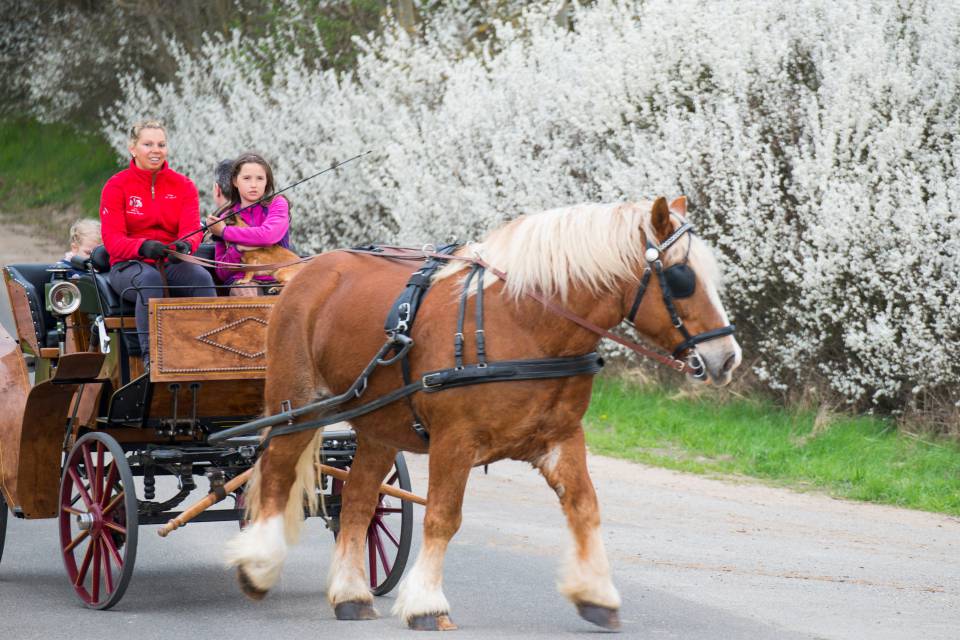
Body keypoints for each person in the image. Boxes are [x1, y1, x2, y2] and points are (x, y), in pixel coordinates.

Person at [99, 120, 216, 361]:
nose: (156, 150)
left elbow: (192, 229)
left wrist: (186, 244)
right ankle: (153, 359)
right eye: (148, 144)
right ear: (133, 148)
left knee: (201, 278)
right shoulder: (116, 186)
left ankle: (208, 352)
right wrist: (142, 246)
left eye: (161, 144)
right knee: (149, 280)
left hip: (170, 261)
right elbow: (113, 240)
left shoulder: (184, 186)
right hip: (129, 265)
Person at [205, 153, 291, 296]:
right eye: (246, 178)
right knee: (246, 292)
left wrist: (225, 232)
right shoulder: (225, 217)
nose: (253, 185)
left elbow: (268, 236)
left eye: (260, 179)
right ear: (235, 181)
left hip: (279, 276)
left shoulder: (277, 203)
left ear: (267, 182)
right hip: (243, 281)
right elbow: (221, 272)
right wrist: (238, 249)